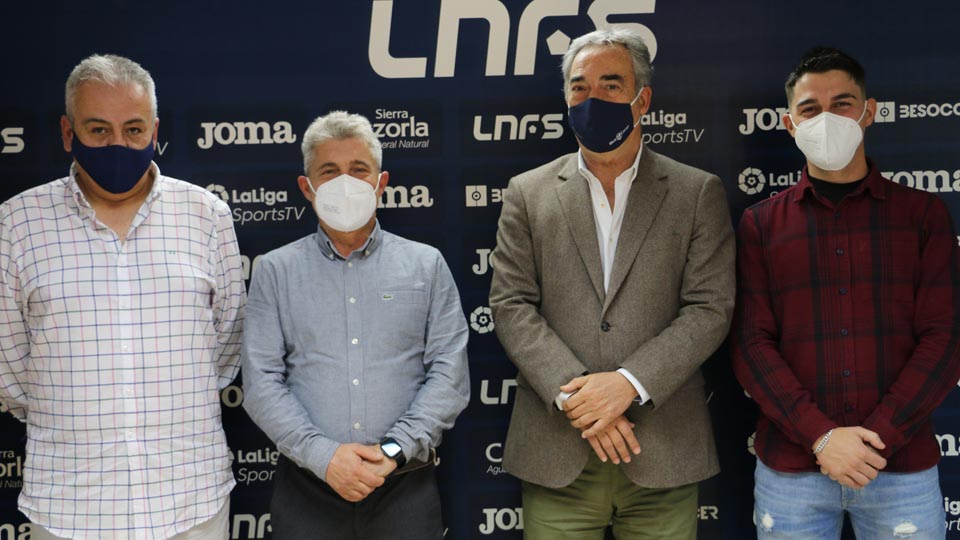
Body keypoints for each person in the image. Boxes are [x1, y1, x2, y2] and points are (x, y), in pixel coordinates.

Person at [488, 28, 735, 539]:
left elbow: (709, 308)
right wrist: (580, 401)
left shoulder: (696, 192)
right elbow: (511, 305)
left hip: (661, 451)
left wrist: (628, 385)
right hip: (557, 452)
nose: (592, 99)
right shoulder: (527, 194)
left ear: (642, 100)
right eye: (579, 88)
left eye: (610, 85)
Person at [0, 54, 246, 539]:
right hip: (69, 508)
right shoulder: (16, 223)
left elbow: (223, 349)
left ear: (155, 130)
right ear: (68, 134)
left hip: (190, 503)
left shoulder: (207, 216)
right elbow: (9, 369)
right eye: (99, 130)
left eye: (133, 130)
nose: (119, 144)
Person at [732, 46, 960, 539]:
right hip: (792, 471)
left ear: (869, 112)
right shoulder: (761, 225)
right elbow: (751, 344)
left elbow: (945, 339)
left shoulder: (923, 216)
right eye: (810, 108)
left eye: (842, 103)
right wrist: (820, 436)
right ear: (790, 124)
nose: (827, 117)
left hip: (899, 467)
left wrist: (875, 439)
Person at [241, 110, 470, 540]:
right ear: (307, 188)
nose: (345, 183)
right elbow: (261, 382)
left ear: (381, 183)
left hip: (404, 485)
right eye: (329, 172)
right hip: (307, 487)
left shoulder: (426, 265)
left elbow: (449, 374)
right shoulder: (275, 271)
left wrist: (391, 452)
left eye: (358, 170)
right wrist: (325, 457)